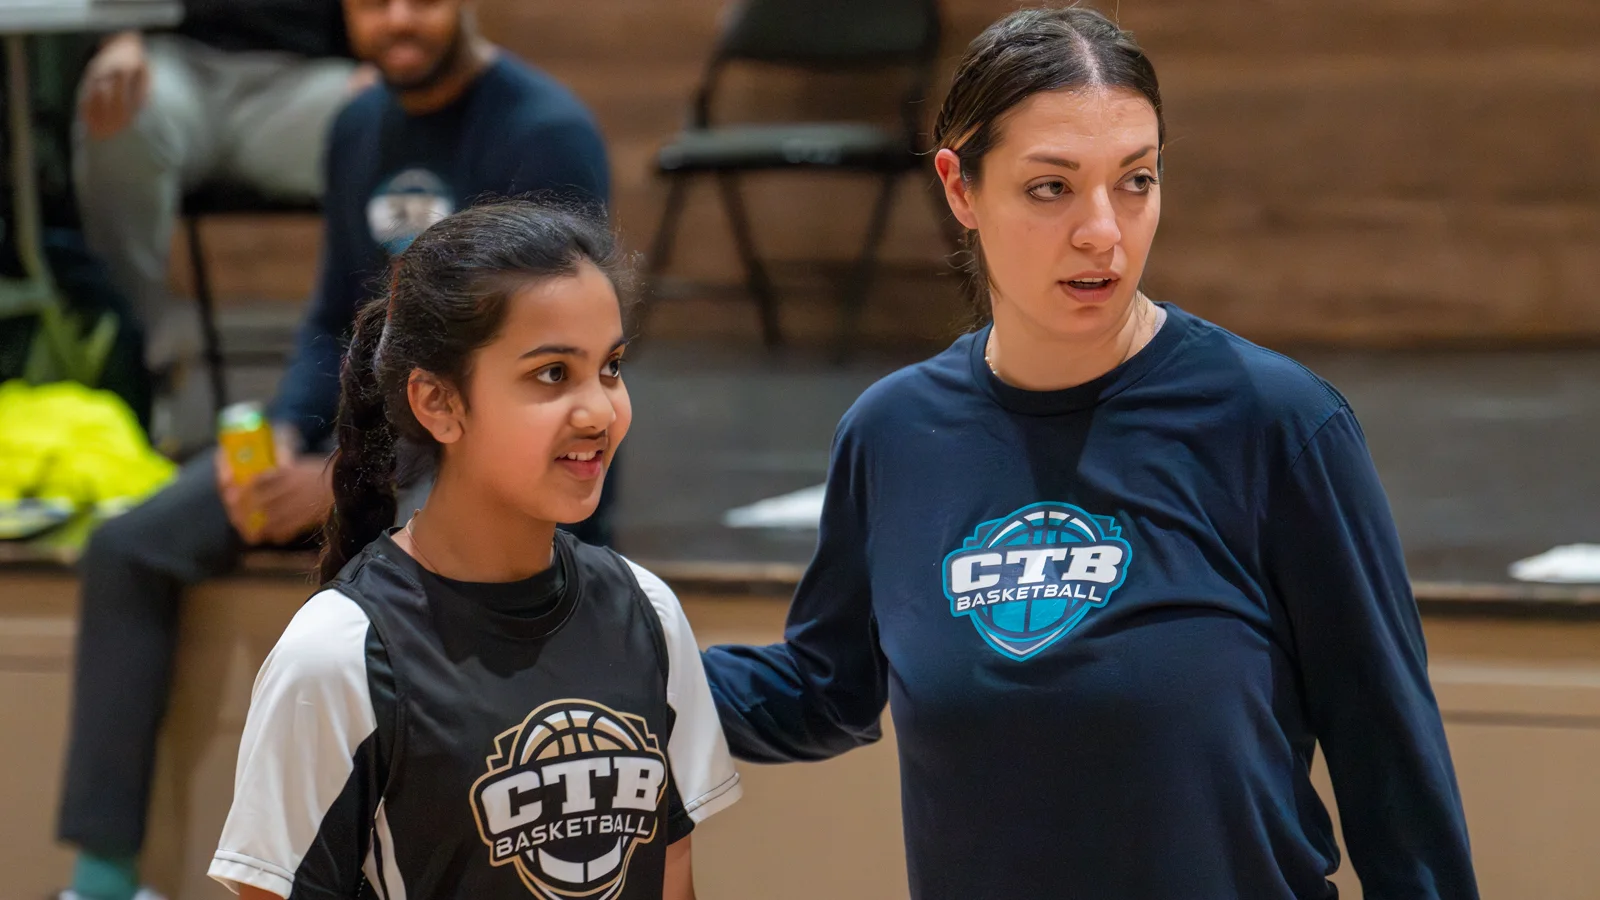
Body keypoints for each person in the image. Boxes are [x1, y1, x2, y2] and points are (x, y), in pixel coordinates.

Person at [700, 7, 1479, 899]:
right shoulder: (892, 434)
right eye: (1050, 188)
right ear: (960, 189)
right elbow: (824, 688)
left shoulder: (1276, 425)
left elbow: (1394, 765)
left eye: (1135, 181)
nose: (1102, 231)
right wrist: (630, 665)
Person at [55, 3, 612, 898]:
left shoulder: (543, 134)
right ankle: (102, 879)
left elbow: (547, 372)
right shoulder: (356, 122)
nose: (396, 19)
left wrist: (349, 480)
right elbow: (331, 320)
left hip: (503, 466)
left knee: (390, 572)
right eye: (370, 0)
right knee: (128, 545)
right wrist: (283, 432)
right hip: (360, 448)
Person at [208, 199, 740, 900]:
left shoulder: (648, 612)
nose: (598, 409)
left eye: (609, 367)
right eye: (552, 374)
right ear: (438, 403)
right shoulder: (337, 655)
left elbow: (673, 879)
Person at [74, 0, 360, 374]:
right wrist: (118, 36)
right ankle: (133, 353)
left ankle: (387, 355)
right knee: (117, 106)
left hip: (306, 76)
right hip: (176, 61)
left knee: (382, 117)